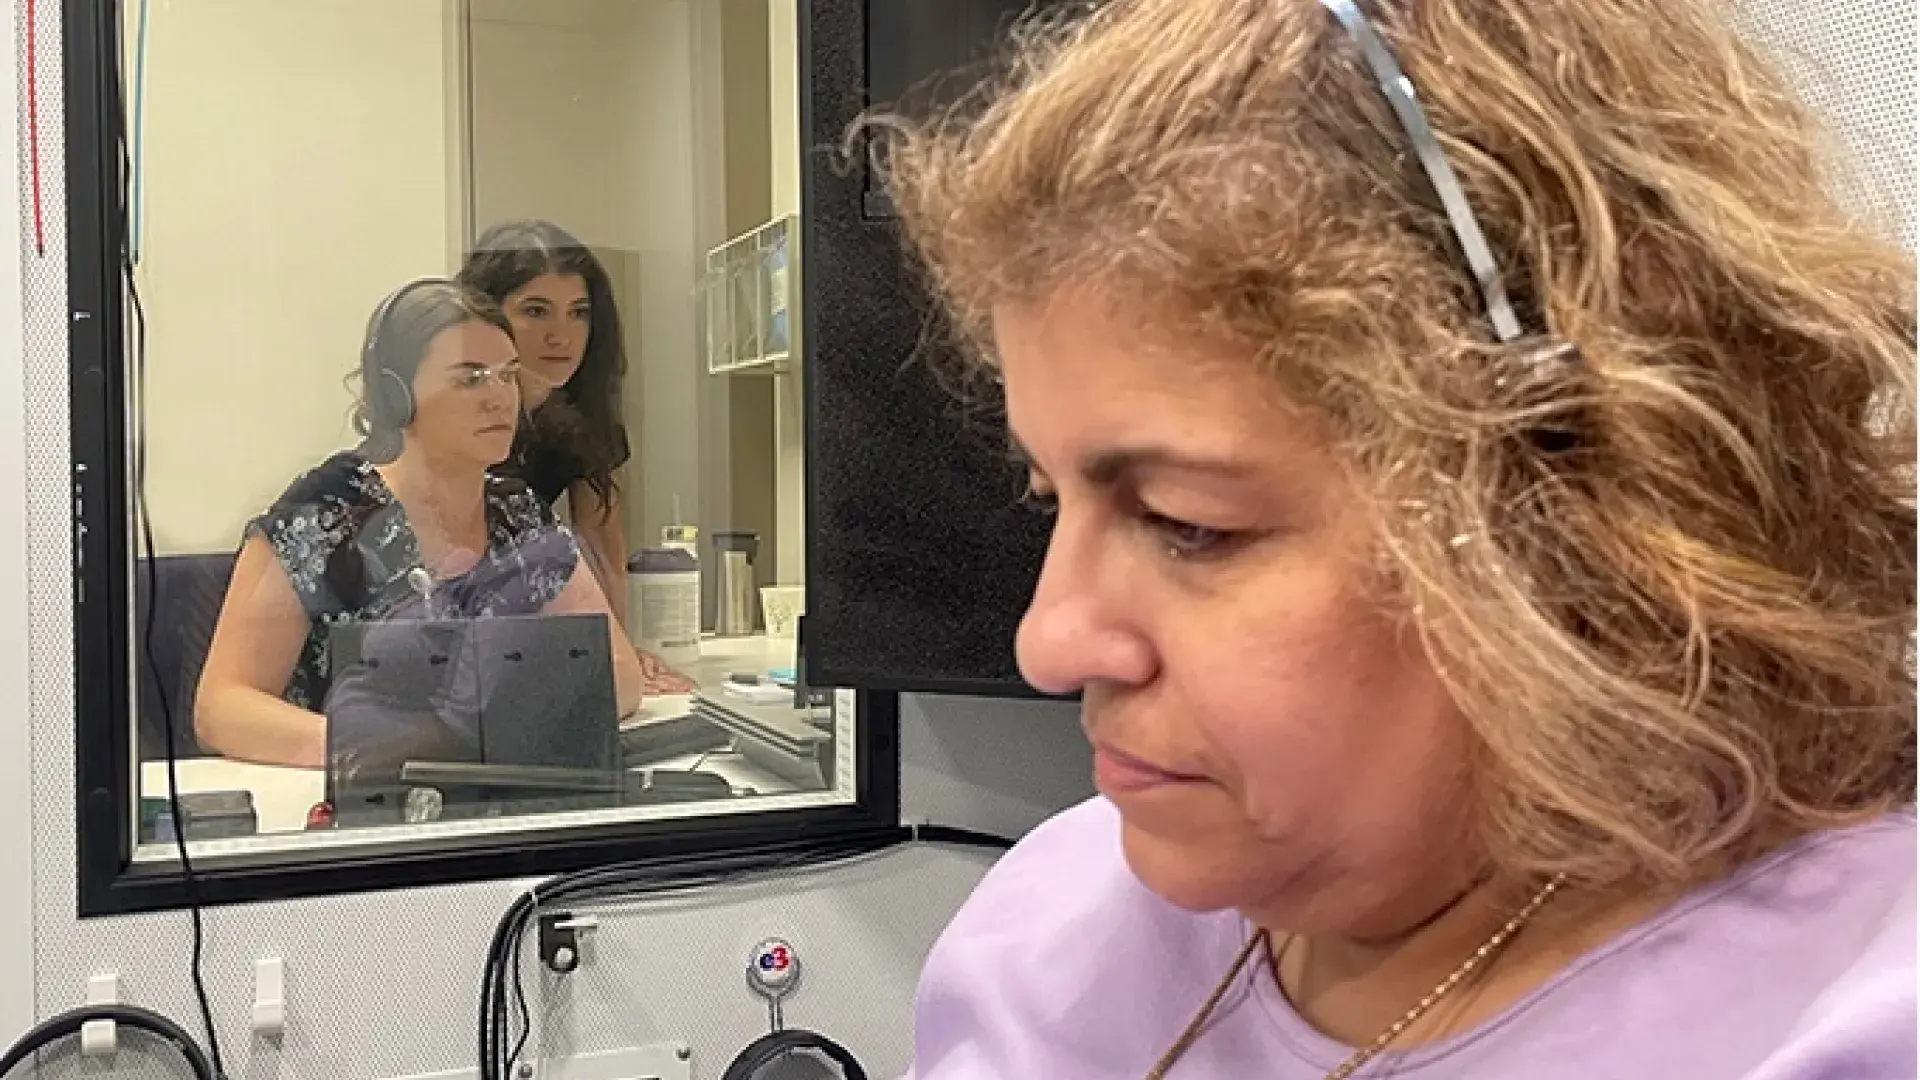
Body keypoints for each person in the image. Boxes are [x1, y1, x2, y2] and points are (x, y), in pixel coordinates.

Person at [873, 0, 1916, 1076]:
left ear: (1584, 523)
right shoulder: (1040, 939)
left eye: (1191, 525)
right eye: (1050, 498)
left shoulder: (1851, 1024)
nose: (1049, 642)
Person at [195, 279, 647, 769]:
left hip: (486, 798)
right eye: (470, 378)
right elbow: (222, 707)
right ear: (396, 398)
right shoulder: (325, 515)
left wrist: (478, 739)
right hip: (350, 807)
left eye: (508, 375)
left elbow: (617, 673)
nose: (500, 399)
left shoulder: (518, 515)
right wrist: (378, 750)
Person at [458, 220, 694, 694]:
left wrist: (619, 654)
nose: (561, 336)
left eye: (579, 313)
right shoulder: (457, 411)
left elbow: (602, 539)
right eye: (536, 311)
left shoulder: (579, 416)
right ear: (487, 317)